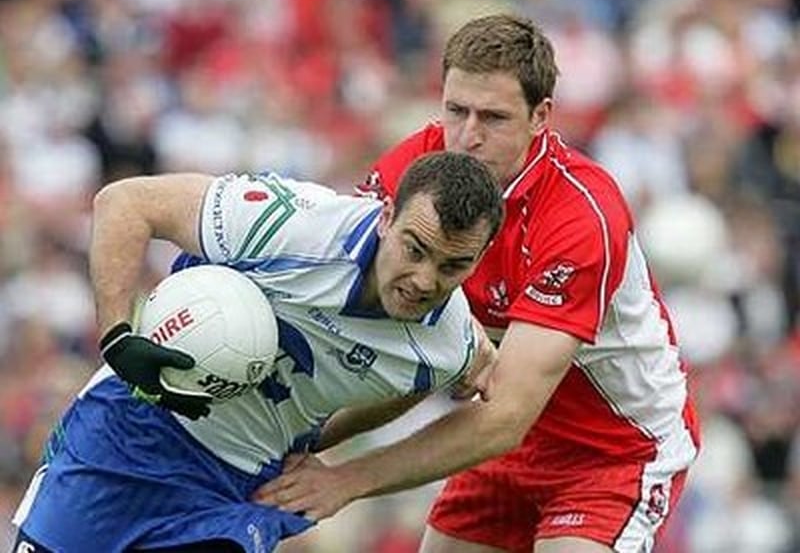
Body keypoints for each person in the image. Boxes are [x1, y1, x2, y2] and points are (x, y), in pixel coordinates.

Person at [255, 13, 701, 553]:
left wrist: (345, 480)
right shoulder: (418, 169)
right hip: (504, 449)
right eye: (455, 111)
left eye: (493, 117)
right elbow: (360, 315)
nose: (467, 136)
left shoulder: (581, 216)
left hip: (611, 451)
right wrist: (282, 437)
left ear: (541, 116)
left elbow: (504, 415)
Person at [11, 151, 505, 553]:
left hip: (233, 490)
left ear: (479, 260)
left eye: (453, 265)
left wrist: (332, 457)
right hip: (131, 429)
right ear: (386, 217)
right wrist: (118, 337)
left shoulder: (451, 344)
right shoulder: (290, 222)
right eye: (414, 249)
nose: (424, 280)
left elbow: (426, 382)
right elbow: (125, 202)